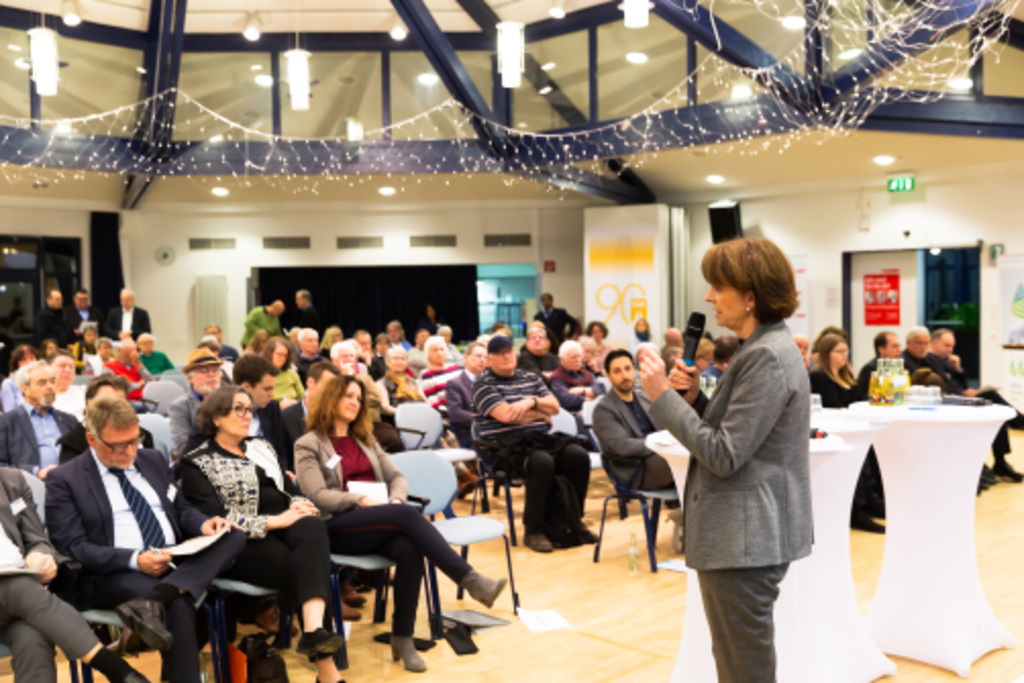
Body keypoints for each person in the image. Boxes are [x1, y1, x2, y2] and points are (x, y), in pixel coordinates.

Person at [638, 237, 811, 683]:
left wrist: (661, 397)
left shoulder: (766, 356)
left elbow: (724, 454)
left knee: (743, 669)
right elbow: (736, 433)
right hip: (746, 535)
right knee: (741, 661)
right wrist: (694, 399)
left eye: (718, 286)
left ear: (750, 295)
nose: (708, 297)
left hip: (745, 539)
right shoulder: (760, 348)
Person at [294, 375, 508, 672]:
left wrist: (395, 499)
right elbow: (316, 495)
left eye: (358, 397)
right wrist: (360, 500)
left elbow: (397, 478)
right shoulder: (308, 444)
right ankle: (469, 580)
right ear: (330, 400)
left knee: (409, 547)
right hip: (338, 525)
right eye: (348, 396)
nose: (355, 402)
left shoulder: (365, 440)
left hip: (380, 517)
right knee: (408, 515)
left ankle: (402, 636)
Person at [46, 396, 247, 683]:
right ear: (92, 439)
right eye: (118, 446)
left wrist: (204, 525)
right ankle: (163, 601)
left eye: (134, 440)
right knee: (178, 603)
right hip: (114, 573)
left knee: (233, 535)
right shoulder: (65, 479)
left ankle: (156, 599)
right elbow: (72, 547)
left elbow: (180, 509)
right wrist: (135, 559)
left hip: (174, 557)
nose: (129, 452)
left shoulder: (150, 459)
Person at [180, 386, 348, 681]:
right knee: (309, 569)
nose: (248, 415)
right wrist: (276, 521)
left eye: (250, 410)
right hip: (240, 541)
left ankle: (312, 630)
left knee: (312, 525)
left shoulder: (260, 446)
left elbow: (288, 488)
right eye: (239, 409)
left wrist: (300, 504)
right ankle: (327, 671)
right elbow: (217, 519)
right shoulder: (197, 461)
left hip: (286, 528)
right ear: (217, 417)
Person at [0, 465, 151, 683]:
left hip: (19, 598)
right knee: (20, 588)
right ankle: (117, 670)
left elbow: (37, 540)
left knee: (31, 637)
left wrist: (40, 557)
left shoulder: (11, 480)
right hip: (20, 591)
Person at [472, 335, 592, 553]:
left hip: (539, 439)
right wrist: (540, 415)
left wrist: (531, 402)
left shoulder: (530, 377)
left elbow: (554, 407)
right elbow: (507, 416)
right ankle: (534, 530)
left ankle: (573, 521)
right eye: (500, 353)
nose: (507, 356)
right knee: (542, 463)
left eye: (509, 351)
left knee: (578, 456)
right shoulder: (482, 385)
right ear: (490, 358)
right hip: (505, 446)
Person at [925, 327, 1024, 480]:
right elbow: (942, 387)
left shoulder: (945, 361)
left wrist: (958, 369)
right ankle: (1018, 422)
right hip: (952, 403)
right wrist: (962, 393)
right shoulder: (929, 361)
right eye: (947, 345)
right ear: (934, 343)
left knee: (997, 412)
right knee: (992, 397)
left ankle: (1000, 461)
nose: (950, 350)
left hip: (961, 398)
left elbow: (960, 385)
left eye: (952, 346)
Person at [808, 334, 882, 533]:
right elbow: (833, 407)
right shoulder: (819, 377)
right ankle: (856, 510)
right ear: (826, 354)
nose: (844, 355)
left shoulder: (846, 376)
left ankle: (869, 500)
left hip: (852, 427)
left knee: (868, 454)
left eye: (846, 351)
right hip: (833, 432)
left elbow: (857, 401)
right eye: (839, 351)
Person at [592, 349, 674, 490]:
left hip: (659, 456)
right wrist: (661, 445)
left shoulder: (645, 396)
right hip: (635, 469)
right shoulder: (603, 410)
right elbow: (624, 447)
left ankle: (687, 508)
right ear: (608, 376)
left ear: (634, 370)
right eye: (617, 371)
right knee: (683, 460)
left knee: (696, 452)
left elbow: (666, 425)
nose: (624, 375)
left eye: (628, 369)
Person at [0, 361, 76, 477]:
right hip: (30, 487)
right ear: (25, 389)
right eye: (42, 383)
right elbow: (2, 465)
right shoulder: (7, 422)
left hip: (70, 482)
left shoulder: (68, 420)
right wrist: (37, 472)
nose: (50, 386)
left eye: (52, 381)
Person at [58, 375, 156, 464]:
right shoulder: (72, 444)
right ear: (90, 403)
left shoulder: (143, 437)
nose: (114, 407)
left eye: (120, 402)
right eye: (106, 401)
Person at [282, 361, 341, 475]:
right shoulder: (286, 417)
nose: (332, 393)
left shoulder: (337, 418)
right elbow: (283, 459)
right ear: (310, 382)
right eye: (328, 386)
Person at [168, 349, 224, 457]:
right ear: (191, 378)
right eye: (204, 370)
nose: (211, 374)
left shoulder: (230, 401)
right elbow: (183, 448)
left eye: (214, 369)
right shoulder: (180, 406)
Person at [446, 341, 488, 448]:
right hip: (471, 434)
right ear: (465, 358)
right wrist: (483, 420)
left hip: (493, 431)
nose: (482, 360)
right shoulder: (455, 383)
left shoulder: (490, 382)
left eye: (485, 357)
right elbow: (455, 413)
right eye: (478, 356)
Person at [549, 340, 605, 414]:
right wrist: (591, 397)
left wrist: (582, 390)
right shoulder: (556, 377)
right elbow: (566, 401)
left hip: (593, 413)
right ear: (563, 360)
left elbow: (602, 389)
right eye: (573, 357)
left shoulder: (587, 374)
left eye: (579, 356)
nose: (578, 360)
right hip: (570, 416)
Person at [377, 347, 425, 421]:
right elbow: (385, 407)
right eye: (395, 358)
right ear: (387, 362)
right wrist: (407, 413)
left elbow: (425, 401)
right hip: (398, 422)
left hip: (420, 418)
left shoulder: (414, 382)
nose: (399, 362)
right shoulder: (381, 384)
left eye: (402, 359)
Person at [101, 339, 153, 408]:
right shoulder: (108, 366)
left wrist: (138, 365)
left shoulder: (138, 366)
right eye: (128, 353)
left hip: (145, 400)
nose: (131, 356)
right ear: (119, 350)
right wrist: (139, 384)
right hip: (124, 403)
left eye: (134, 353)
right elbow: (117, 389)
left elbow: (152, 383)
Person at [856, 331, 902, 396]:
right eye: (895, 346)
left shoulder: (898, 367)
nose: (899, 350)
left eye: (899, 346)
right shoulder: (870, 368)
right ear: (881, 349)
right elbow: (864, 395)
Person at [263, 337, 304, 406]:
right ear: (269, 354)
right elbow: (257, 403)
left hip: (293, 411)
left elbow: (303, 397)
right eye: (279, 354)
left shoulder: (292, 373)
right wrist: (279, 407)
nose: (282, 358)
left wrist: (294, 403)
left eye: (285, 355)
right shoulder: (260, 375)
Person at [49, 349, 86, 420]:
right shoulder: (38, 397)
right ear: (48, 368)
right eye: (62, 366)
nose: (68, 370)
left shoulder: (85, 391)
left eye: (71, 367)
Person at [0, 345, 37, 412]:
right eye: (24, 360)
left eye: (32, 358)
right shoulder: (9, 383)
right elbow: (9, 413)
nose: (29, 363)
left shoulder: (46, 379)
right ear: (17, 363)